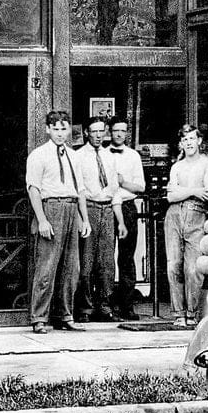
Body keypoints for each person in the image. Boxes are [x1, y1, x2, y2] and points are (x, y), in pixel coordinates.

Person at [26, 110, 92, 334]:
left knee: (71, 268)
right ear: (48, 129)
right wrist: (42, 219)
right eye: (56, 128)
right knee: (46, 266)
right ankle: (39, 318)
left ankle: (66, 315)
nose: (60, 133)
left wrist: (84, 219)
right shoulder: (39, 155)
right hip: (51, 207)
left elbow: (80, 190)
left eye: (64, 128)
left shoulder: (75, 156)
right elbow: (34, 189)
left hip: (72, 208)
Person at [73, 117, 127, 323]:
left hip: (107, 211)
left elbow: (115, 192)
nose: (97, 135)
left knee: (106, 263)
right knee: (86, 263)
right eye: (93, 131)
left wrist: (120, 221)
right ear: (87, 132)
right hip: (89, 209)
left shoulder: (110, 156)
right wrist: (82, 218)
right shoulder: (78, 157)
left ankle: (104, 307)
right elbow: (79, 191)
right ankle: (85, 308)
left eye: (101, 131)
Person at [164, 124, 208, 328]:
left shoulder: (207, 163)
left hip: (196, 214)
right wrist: (194, 189)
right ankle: (179, 314)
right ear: (181, 144)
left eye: (192, 139)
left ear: (199, 141)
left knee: (193, 268)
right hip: (174, 214)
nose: (189, 143)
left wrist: (182, 190)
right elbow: (170, 196)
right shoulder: (177, 166)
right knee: (173, 265)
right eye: (185, 140)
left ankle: (192, 313)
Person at [107, 115, 146, 321]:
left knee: (127, 257)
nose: (119, 134)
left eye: (123, 130)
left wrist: (122, 182)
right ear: (109, 132)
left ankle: (127, 305)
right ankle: (103, 304)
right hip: (106, 207)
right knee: (104, 257)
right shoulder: (102, 154)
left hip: (128, 207)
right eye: (115, 131)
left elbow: (141, 187)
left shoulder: (133, 156)